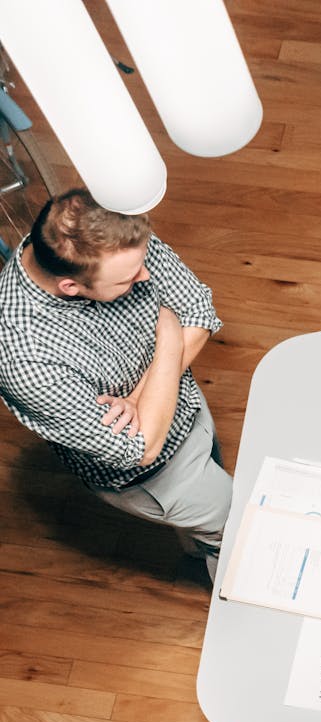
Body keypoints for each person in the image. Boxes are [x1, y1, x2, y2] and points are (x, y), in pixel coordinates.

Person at [0, 189, 230, 581]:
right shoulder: (24, 357)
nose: (144, 276)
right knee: (237, 533)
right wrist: (170, 334)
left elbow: (198, 310)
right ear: (71, 286)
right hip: (158, 476)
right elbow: (141, 447)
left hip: (188, 407)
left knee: (210, 508)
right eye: (128, 280)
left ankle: (199, 543)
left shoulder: (109, 236)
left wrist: (141, 396)